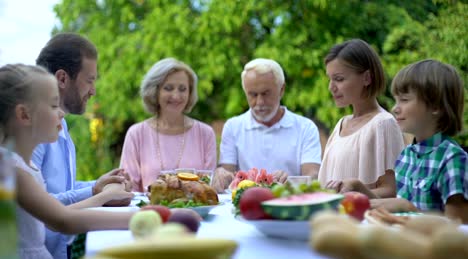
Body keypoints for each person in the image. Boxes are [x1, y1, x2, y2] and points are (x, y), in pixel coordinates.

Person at [0, 64, 135, 259]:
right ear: (24, 115)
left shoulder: (25, 166)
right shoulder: (11, 169)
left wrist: (100, 194)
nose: (62, 114)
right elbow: (63, 221)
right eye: (54, 105)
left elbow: (58, 216)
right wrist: (151, 218)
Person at [32, 33, 132, 259]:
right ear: (63, 78)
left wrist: (97, 185)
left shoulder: (62, 125)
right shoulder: (33, 131)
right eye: (90, 80)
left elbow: (60, 188)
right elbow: (43, 205)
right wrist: (98, 194)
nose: (94, 90)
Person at [370, 59, 468, 223]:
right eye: (396, 100)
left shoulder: (453, 159)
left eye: (405, 99)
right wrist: (358, 193)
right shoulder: (405, 156)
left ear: (436, 106)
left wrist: (410, 208)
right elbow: (397, 207)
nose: (395, 108)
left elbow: (458, 227)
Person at [211, 58, 322, 193]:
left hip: (289, 204)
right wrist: (220, 174)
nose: (260, 102)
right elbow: (227, 175)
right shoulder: (233, 127)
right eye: (252, 94)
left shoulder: (306, 127)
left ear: (282, 90)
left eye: (266, 93)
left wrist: (290, 181)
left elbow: (313, 176)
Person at [318, 39, 405, 199]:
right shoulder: (340, 124)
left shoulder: (383, 124)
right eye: (330, 79)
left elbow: (392, 191)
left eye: (339, 79)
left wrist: (357, 190)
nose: (331, 87)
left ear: (367, 78)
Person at [120, 58, 217, 192]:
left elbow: (208, 188)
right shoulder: (136, 134)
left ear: (190, 93)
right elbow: (130, 190)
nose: (176, 96)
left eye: (182, 89)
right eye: (168, 88)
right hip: (150, 211)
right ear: (155, 91)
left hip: (195, 212)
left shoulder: (205, 134)